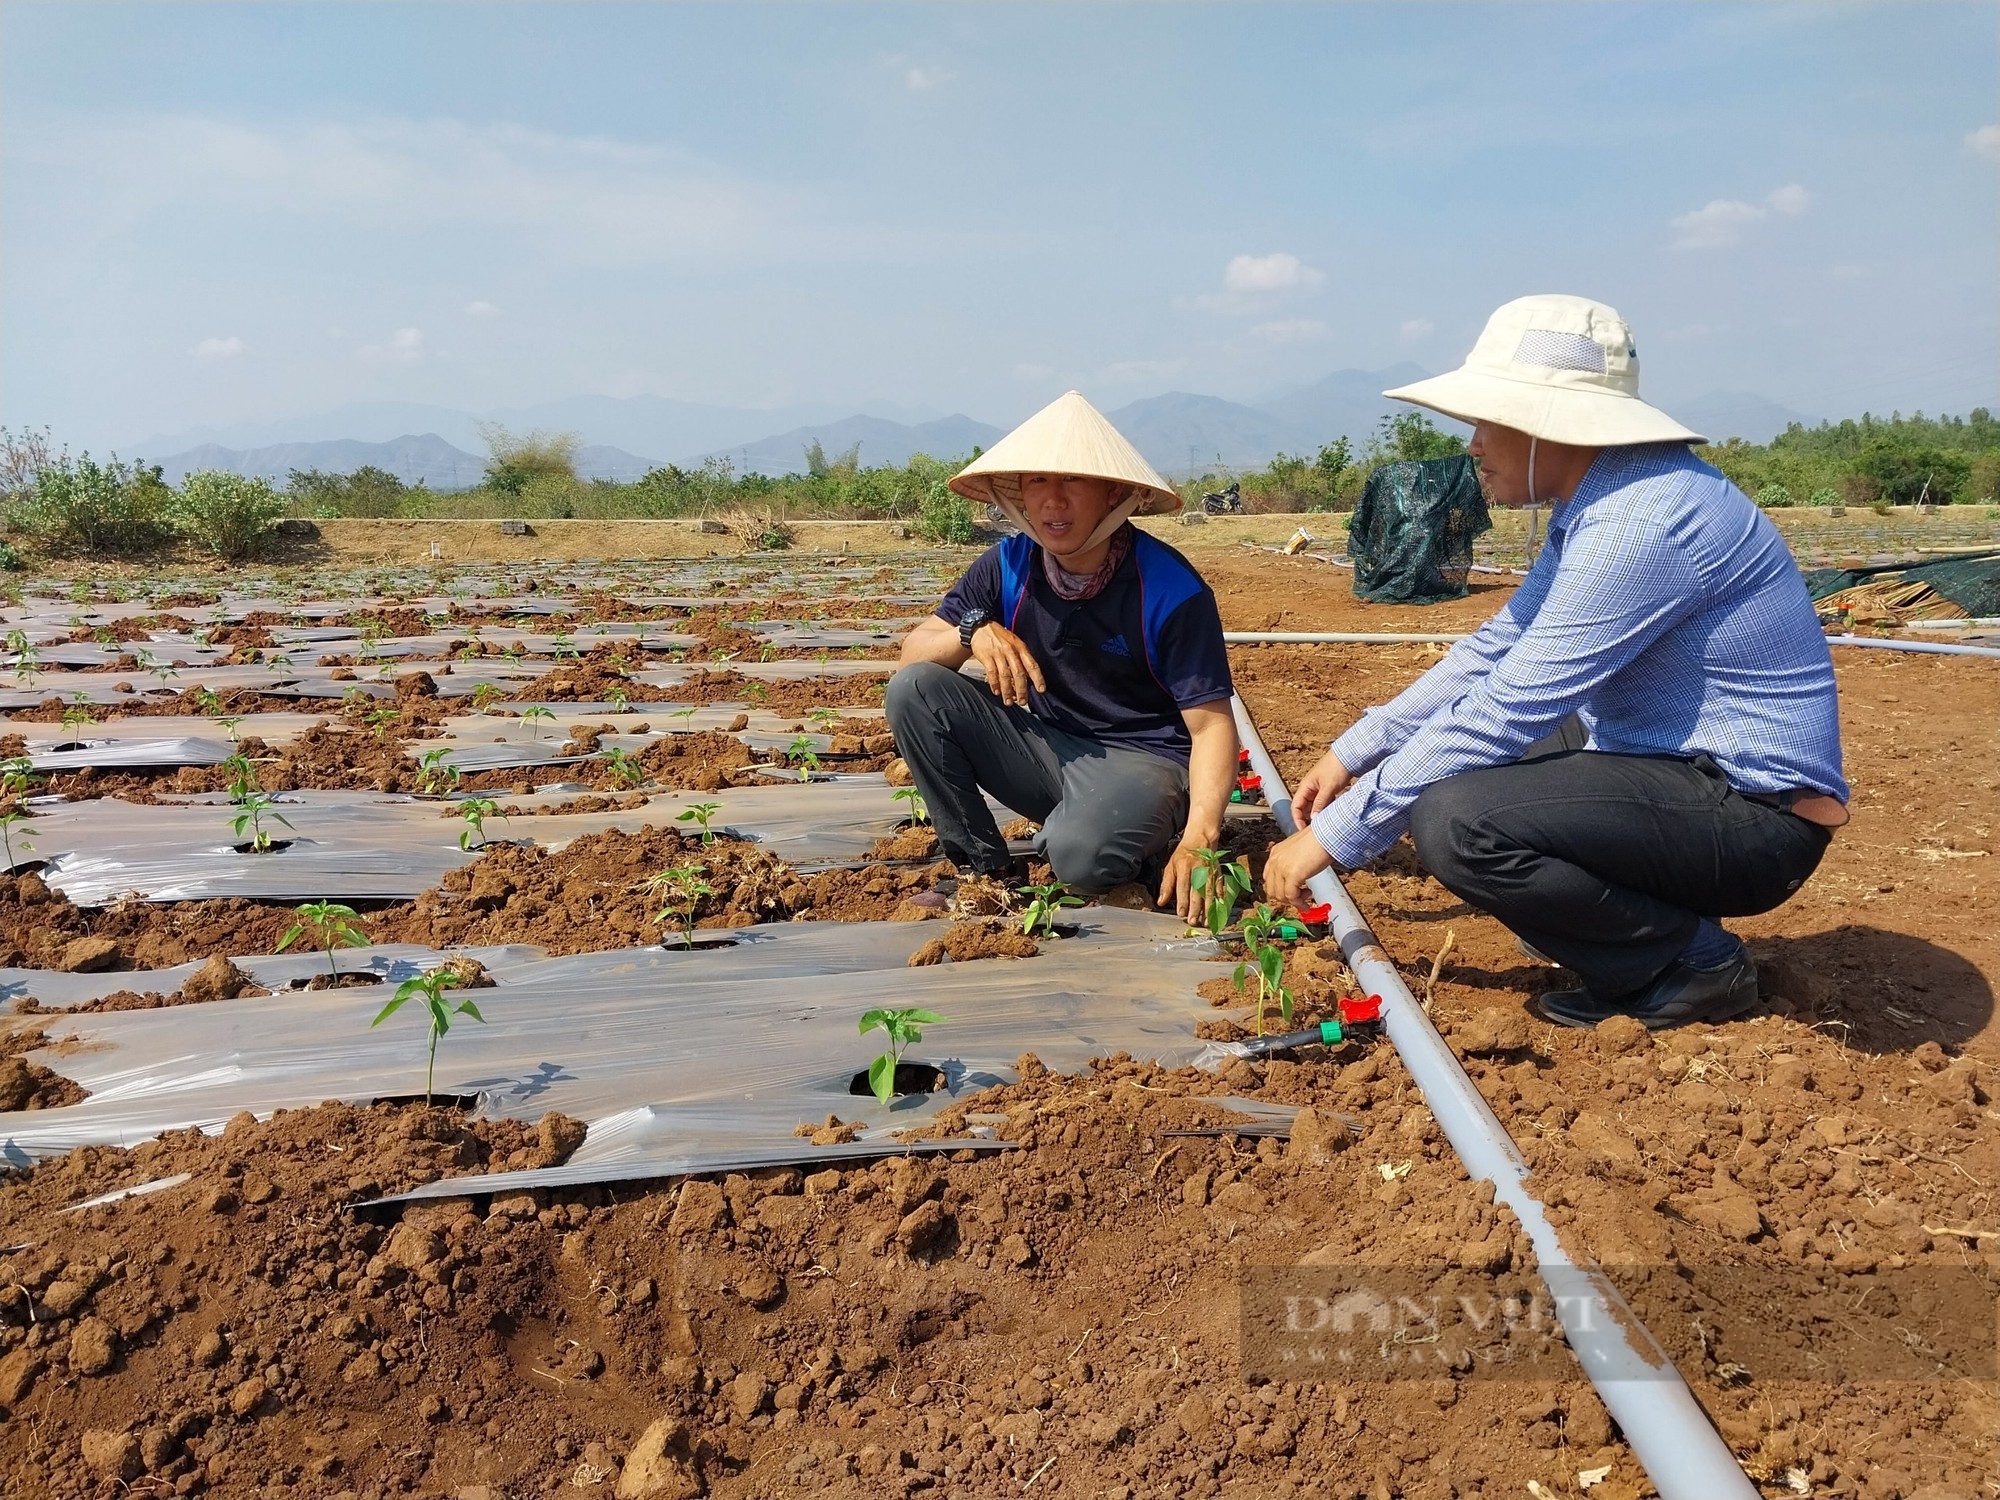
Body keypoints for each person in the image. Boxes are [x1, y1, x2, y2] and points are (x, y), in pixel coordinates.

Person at [1262, 294, 1849, 1030]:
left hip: (1754, 815)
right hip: (1681, 767)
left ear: (1550, 421)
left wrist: (1337, 834)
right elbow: (1496, 649)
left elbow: (1509, 707)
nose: (1472, 445)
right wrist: (1358, 750)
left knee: (1455, 817)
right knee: (1447, 769)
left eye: (1487, 422)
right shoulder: (1605, 499)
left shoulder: (1641, 520)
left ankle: (1691, 963)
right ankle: (1631, 931)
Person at [886, 390, 1239, 921]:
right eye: (1038, 482)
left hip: (1147, 764)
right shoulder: (1008, 564)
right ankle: (984, 869)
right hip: (1053, 751)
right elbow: (911, 653)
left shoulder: (1169, 588)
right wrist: (973, 632)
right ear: (1019, 497)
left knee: (1079, 856)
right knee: (915, 689)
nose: (1053, 500)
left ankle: (1131, 847)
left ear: (1112, 493)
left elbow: (1212, 727)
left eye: (1073, 480)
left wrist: (1201, 838)